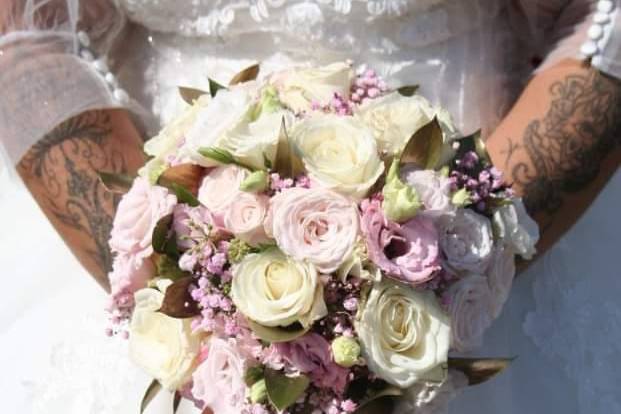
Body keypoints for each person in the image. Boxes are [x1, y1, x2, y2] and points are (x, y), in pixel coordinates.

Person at [0, 1, 619, 413]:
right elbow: (29, 36)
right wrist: (194, 296)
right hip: (162, 239)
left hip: (484, 226)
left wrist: (462, 256)